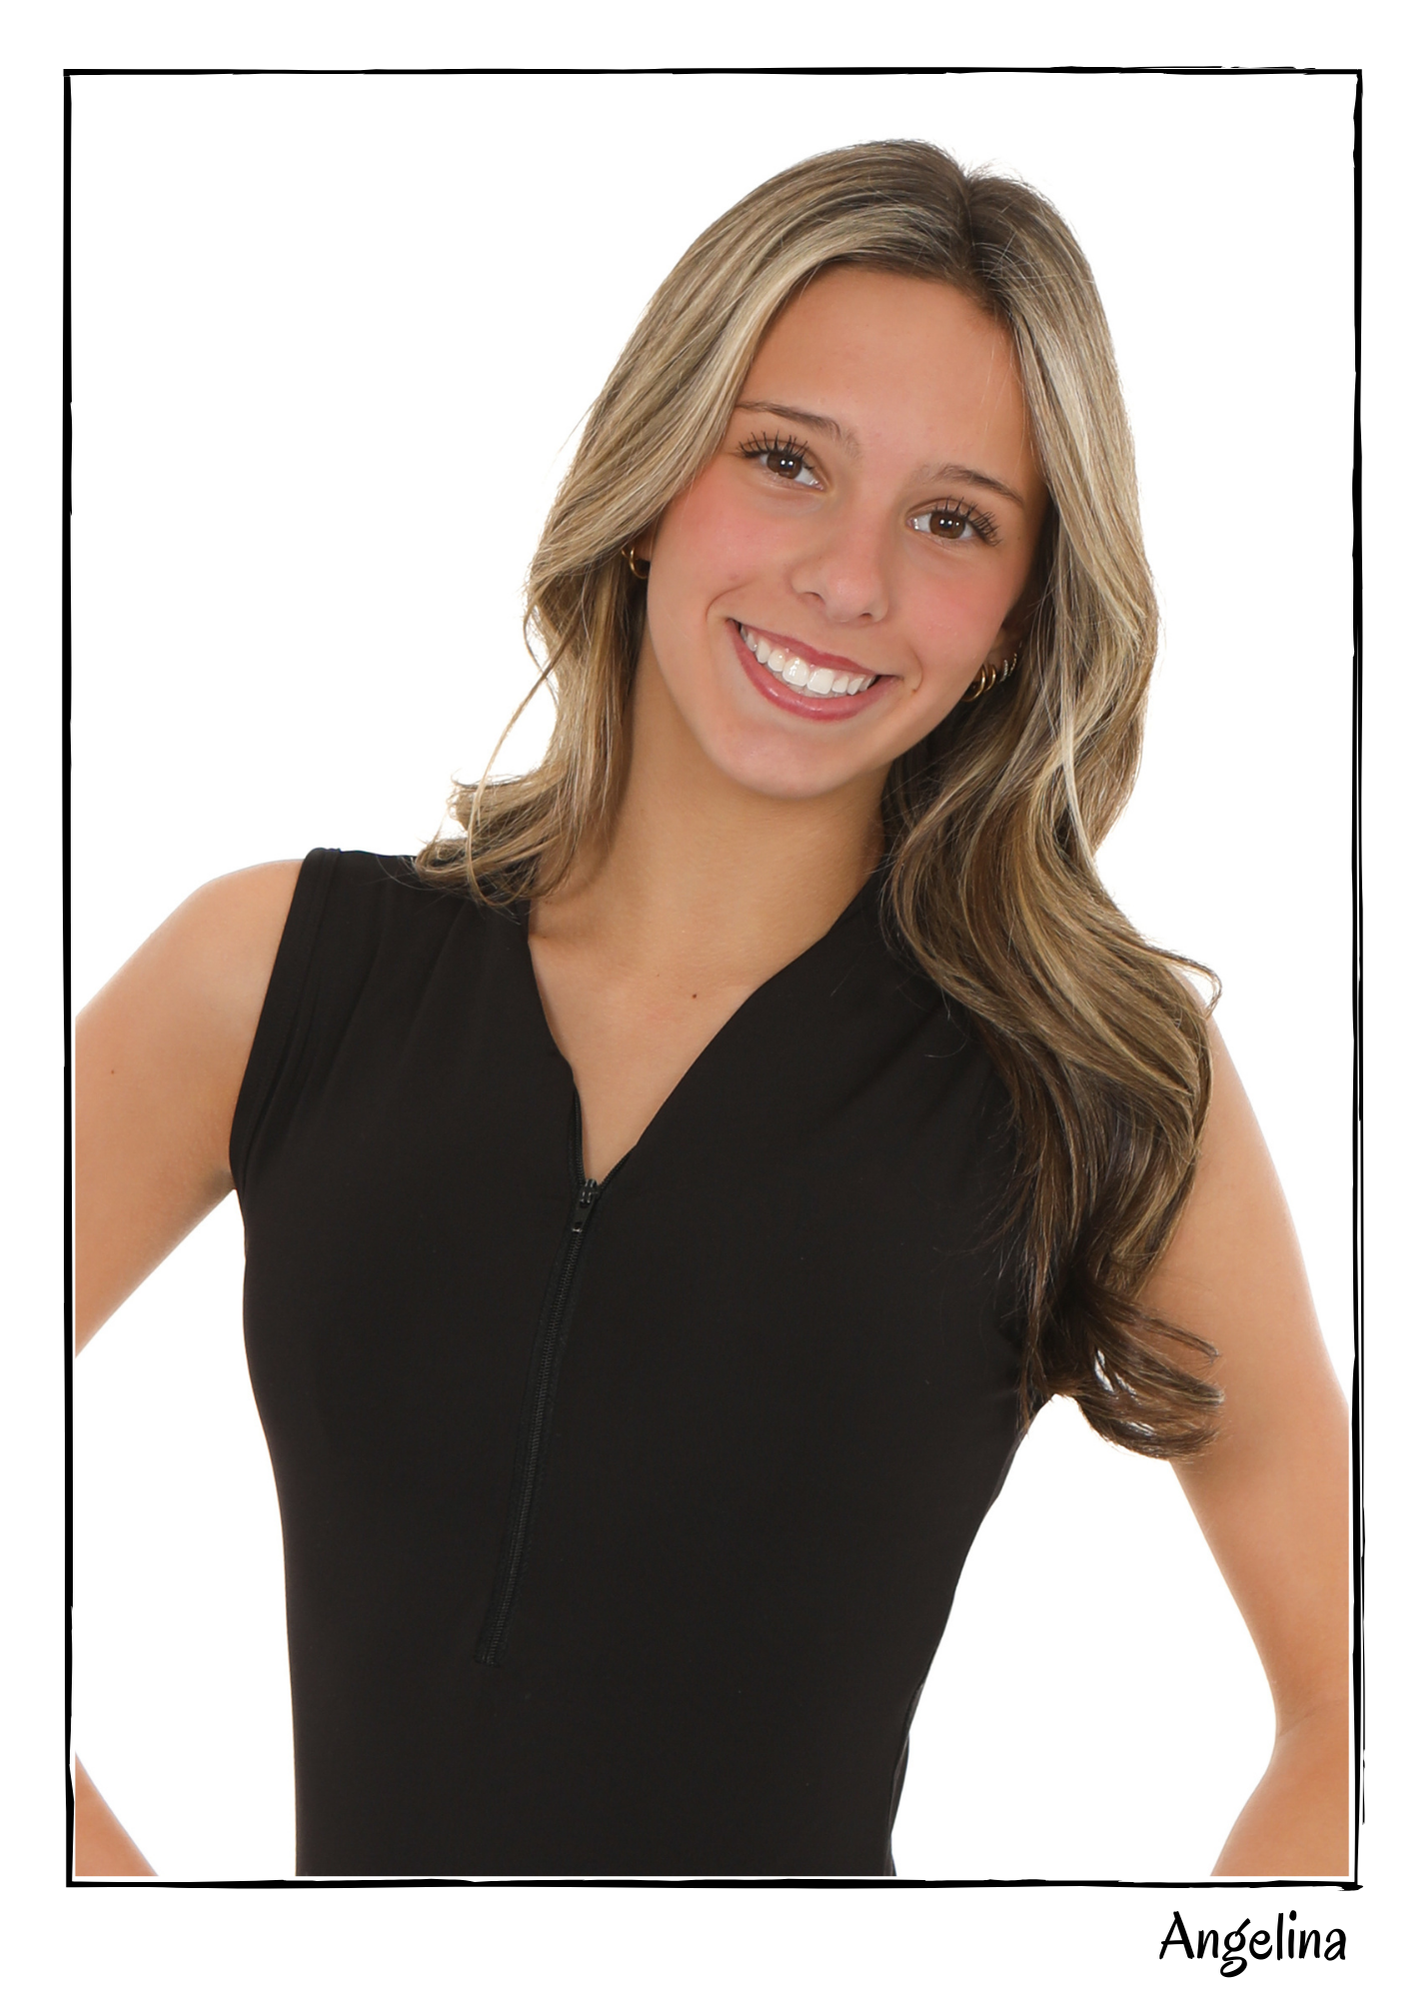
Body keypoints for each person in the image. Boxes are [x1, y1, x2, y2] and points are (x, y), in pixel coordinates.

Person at [73, 139, 1350, 1879]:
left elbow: (1362, 1707)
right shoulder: (276, 974)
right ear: (657, 470)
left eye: (954, 520)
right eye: (785, 460)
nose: (849, 579)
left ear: (1021, 615)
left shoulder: (1092, 1085)